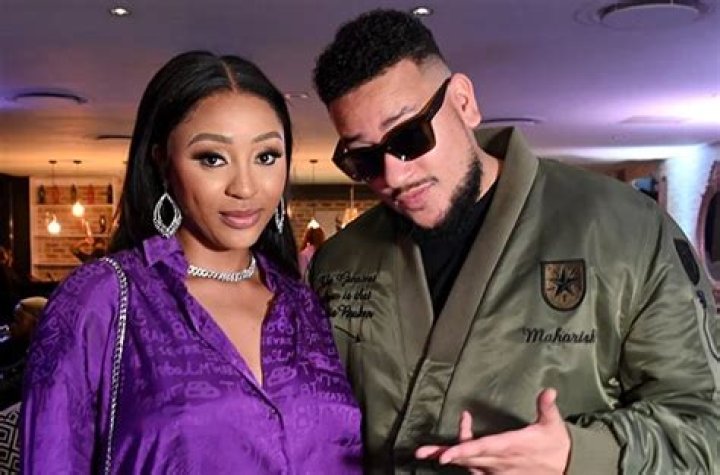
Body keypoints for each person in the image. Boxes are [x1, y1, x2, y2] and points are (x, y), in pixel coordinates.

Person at [309, 9, 719, 474]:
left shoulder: (628, 230)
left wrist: (579, 456)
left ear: (463, 102)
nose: (393, 175)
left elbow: (705, 429)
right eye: (363, 158)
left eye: (409, 137)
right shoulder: (339, 262)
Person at [21, 51, 362, 473]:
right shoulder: (102, 300)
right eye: (212, 158)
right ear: (162, 161)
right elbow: (50, 458)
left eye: (266, 156)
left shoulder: (303, 305)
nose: (245, 187)